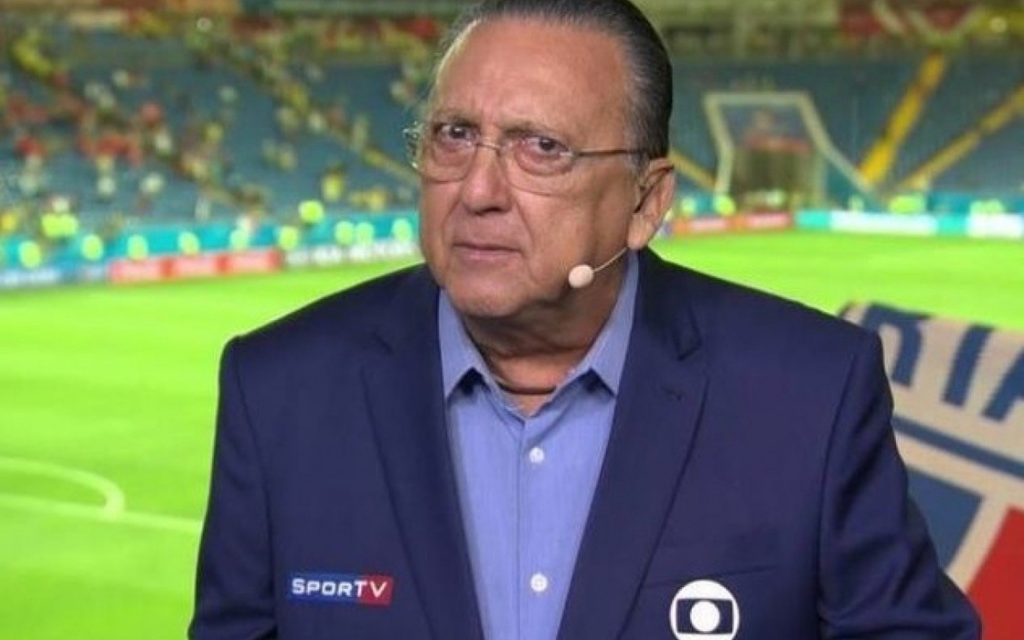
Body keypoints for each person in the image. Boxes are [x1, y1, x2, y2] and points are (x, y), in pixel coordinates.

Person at [189, 1, 980, 638]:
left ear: (646, 202)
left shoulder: (811, 392)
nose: (478, 190)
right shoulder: (277, 390)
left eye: (542, 147)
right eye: (455, 136)